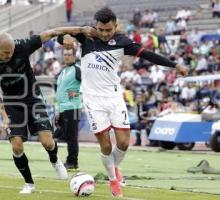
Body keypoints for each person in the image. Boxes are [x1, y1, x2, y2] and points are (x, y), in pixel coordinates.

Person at [57, 7, 188, 197]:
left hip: (114, 96)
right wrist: (67, 37)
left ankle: (115, 166)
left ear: (115, 26)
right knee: (105, 145)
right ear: (96, 26)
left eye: (108, 30)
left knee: (124, 143)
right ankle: (113, 179)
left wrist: (175, 65)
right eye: (100, 29)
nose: (103, 33)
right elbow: (60, 35)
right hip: (92, 99)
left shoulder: (122, 42)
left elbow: (148, 55)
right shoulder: (87, 36)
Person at [0, 28, 94, 194]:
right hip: (13, 103)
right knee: (17, 146)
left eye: (11, 52)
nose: (9, 55)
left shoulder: (22, 46)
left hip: (33, 97)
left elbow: (52, 32)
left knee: (48, 142)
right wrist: (4, 117)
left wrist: (77, 31)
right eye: (5, 53)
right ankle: (29, 184)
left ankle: (55, 160)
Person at [55, 47, 81, 171]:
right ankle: (55, 159)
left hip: (73, 108)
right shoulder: (63, 72)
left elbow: (89, 84)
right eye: (65, 54)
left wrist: (78, 93)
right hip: (62, 109)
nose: (66, 57)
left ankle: (72, 162)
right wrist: (58, 110)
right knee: (57, 135)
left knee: (71, 137)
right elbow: (59, 92)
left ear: (74, 56)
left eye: (69, 55)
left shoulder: (77, 69)